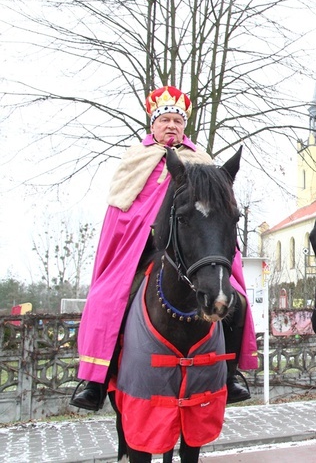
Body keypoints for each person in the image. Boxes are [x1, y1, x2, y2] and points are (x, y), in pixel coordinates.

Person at [70, 86, 258, 411]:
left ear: (184, 127)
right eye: (165, 120)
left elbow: (216, 214)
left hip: (193, 254)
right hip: (140, 253)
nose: (171, 126)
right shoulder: (135, 161)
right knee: (106, 299)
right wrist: (145, 233)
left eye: (177, 121)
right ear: (153, 125)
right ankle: (96, 381)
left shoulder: (201, 161)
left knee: (236, 299)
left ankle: (230, 373)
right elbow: (122, 218)